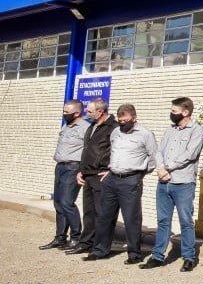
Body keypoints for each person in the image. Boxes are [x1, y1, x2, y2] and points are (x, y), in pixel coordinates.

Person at [83, 104, 158, 264]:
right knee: (105, 216)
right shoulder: (116, 132)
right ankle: (100, 250)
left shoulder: (145, 134)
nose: (122, 122)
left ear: (134, 118)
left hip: (131, 180)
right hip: (112, 179)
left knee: (131, 218)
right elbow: (113, 153)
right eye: (120, 119)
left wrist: (139, 175)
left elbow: (153, 157)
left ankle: (134, 254)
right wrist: (110, 170)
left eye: (125, 119)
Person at [141, 97, 203, 272]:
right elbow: (159, 151)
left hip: (183, 182)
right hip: (164, 182)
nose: (171, 114)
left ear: (186, 112)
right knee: (163, 221)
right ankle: (157, 256)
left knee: (186, 221)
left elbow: (190, 154)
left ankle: (189, 257)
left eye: (174, 111)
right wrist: (161, 168)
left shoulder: (197, 130)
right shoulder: (170, 129)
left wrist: (167, 168)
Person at [67, 99, 118, 255]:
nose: (87, 114)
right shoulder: (92, 126)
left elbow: (118, 150)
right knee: (89, 212)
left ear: (100, 112)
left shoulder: (113, 128)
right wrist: (81, 170)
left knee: (102, 213)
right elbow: (87, 150)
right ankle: (86, 243)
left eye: (90, 111)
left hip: (101, 174)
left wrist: (111, 170)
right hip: (88, 174)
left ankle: (100, 247)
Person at [41, 100, 88, 250]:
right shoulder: (66, 126)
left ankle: (76, 237)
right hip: (60, 166)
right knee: (58, 203)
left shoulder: (85, 128)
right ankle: (60, 237)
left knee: (67, 202)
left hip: (73, 167)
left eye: (67, 112)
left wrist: (82, 170)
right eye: (64, 111)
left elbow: (88, 151)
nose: (64, 114)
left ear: (77, 113)